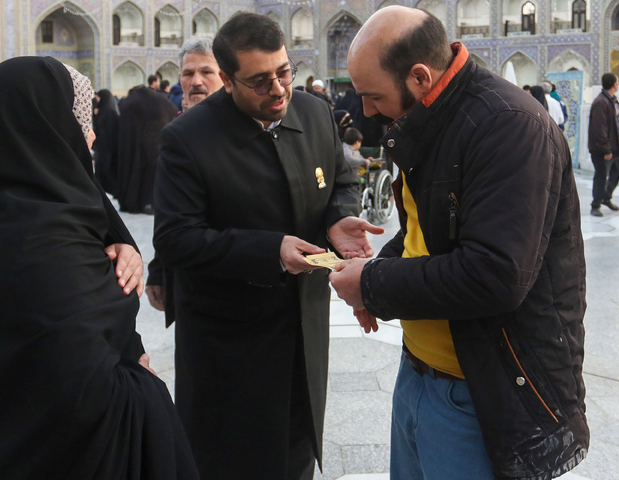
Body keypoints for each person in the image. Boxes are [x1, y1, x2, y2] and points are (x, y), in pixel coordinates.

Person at [330, 6, 588, 480]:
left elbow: (494, 275)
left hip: (483, 393)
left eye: (372, 95)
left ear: (420, 77)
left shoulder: (508, 126)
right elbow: (420, 237)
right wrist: (372, 282)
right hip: (420, 378)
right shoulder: (430, 124)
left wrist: (375, 282)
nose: (365, 110)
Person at [0, 56, 198, 480]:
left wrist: (118, 239)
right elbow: (83, 393)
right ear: (43, 128)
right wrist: (144, 384)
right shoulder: (44, 238)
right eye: (78, 119)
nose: (89, 134)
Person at [153, 12, 381, 480]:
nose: (278, 89)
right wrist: (270, 250)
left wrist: (338, 218)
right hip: (229, 343)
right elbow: (176, 239)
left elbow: (340, 176)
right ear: (228, 81)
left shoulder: (314, 114)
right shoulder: (187, 139)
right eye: (259, 81)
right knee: (230, 455)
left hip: (302, 327)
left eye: (284, 72)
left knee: (296, 447)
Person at [145, 37, 224, 317]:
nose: (196, 81)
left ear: (225, 76)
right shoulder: (175, 132)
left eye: (206, 72)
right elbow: (169, 212)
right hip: (188, 281)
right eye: (188, 74)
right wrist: (158, 270)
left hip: (229, 279)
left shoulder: (241, 129)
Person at [116, 85, 177, 214]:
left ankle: (140, 201)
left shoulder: (131, 102)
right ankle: (150, 203)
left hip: (139, 141)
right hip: (159, 138)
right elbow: (173, 112)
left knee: (137, 169)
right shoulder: (160, 101)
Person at [587, 72, 619, 217]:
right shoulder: (601, 102)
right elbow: (599, 128)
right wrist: (606, 149)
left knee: (616, 173)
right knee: (601, 175)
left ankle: (606, 197)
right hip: (602, 149)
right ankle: (596, 205)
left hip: (614, 147)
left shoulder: (612, 101)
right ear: (614, 84)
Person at [93, 89, 120, 195]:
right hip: (103, 146)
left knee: (106, 168)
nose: (97, 100)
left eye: (98, 98)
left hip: (106, 146)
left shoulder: (108, 112)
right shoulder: (104, 110)